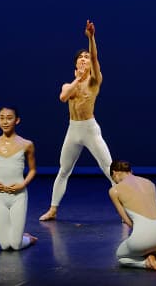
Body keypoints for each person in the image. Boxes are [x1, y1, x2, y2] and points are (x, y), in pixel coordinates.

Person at [39, 20, 114, 222]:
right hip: (73, 130)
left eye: (86, 57)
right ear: (75, 65)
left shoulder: (94, 80)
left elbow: (96, 58)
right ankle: (53, 209)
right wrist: (77, 79)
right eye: (80, 57)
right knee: (64, 170)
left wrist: (91, 38)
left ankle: (126, 210)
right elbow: (63, 97)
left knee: (109, 168)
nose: (84, 59)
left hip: (90, 128)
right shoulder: (69, 84)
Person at [0, 107, 38, 251]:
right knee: (4, 246)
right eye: (1, 118)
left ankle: (28, 238)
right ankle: (19, 234)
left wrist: (23, 184)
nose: (5, 122)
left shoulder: (27, 144)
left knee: (15, 245)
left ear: (17, 120)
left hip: (18, 196)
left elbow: (33, 170)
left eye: (9, 118)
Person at [108, 160, 156, 271]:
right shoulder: (150, 183)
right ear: (131, 171)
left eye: (113, 179)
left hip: (144, 238)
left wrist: (142, 240)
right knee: (150, 245)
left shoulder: (114, 190)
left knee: (121, 256)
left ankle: (146, 262)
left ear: (114, 173)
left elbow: (128, 222)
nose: (115, 181)